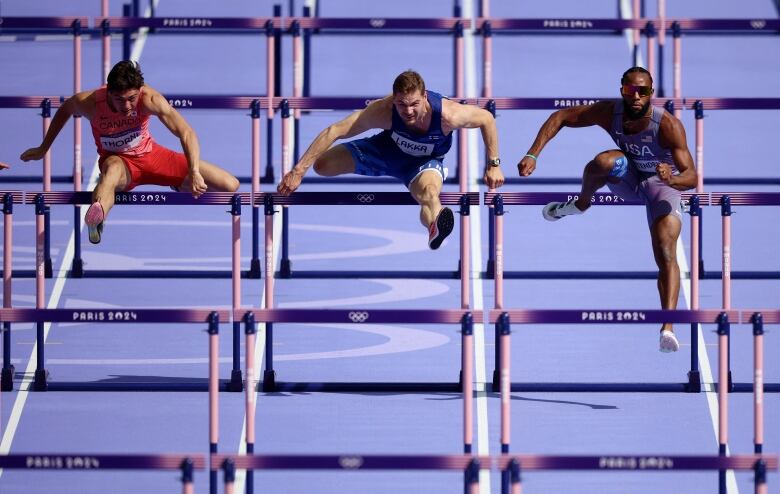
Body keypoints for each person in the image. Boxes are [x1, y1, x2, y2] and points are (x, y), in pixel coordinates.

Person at [516, 67, 698, 353]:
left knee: (665, 251)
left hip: (662, 186)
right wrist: (532, 153)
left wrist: (671, 178)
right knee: (602, 161)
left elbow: (692, 177)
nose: (636, 96)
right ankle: (581, 204)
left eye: (643, 91)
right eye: (630, 90)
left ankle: (668, 327)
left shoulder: (668, 126)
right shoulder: (608, 112)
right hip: (628, 176)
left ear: (652, 92)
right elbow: (560, 117)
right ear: (622, 90)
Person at [277, 70, 504, 249]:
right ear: (394, 100)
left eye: (414, 104)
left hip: (423, 164)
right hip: (383, 151)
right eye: (402, 104)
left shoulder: (448, 115)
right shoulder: (383, 110)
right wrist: (298, 171)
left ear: (425, 96)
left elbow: (486, 119)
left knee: (429, 194)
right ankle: (429, 214)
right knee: (323, 166)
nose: (409, 111)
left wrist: (493, 164)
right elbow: (334, 130)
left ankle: (435, 227)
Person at [19, 60, 239, 244]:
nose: (126, 106)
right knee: (111, 171)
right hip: (121, 164)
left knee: (230, 185)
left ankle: (178, 182)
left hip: (153, 156)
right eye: (120, 100)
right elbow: (65, 110)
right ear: (108, 93)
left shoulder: (149, 99)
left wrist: (194, 171)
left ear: (139, 91)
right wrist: (43, 147)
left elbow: (186, 133)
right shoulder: (89, 103)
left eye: (131, 98)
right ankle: (97, 218)